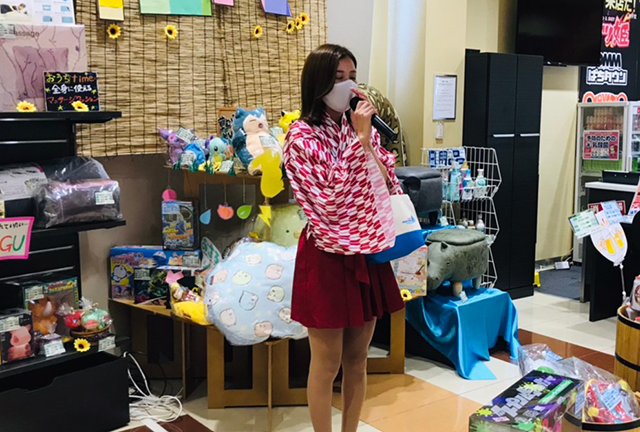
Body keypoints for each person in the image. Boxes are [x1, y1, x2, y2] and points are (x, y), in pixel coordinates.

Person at [283, 44, 405, 432]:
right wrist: (359, 143)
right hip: (326, 253)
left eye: (352, 76)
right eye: (337, 78)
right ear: (317, 83)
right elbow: (329, 199)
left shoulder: (355, 129)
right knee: (326, 362)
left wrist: (365, 140)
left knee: (357, 357)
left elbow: (387, 183)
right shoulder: (300, 137)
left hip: (366, 250)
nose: (347, 85)